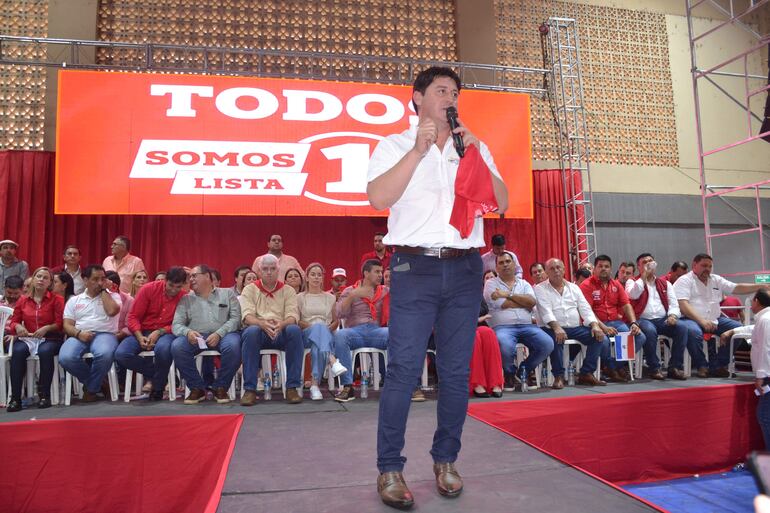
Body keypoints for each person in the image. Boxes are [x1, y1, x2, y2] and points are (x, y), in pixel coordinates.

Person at [366, 66, 508, 508]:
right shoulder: (394, 144)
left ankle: (446, 460)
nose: (451, 98)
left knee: (456, 371)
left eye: (455, 92)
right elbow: (379, 198)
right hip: (415, 267)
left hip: (465, 268)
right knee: (404, 370)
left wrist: (476, 152)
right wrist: (417, 150)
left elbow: (502, 201)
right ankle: (389, 467)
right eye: (442, 90)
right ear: (417, 98)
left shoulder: (472, 146)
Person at [674, 253, 765, 378]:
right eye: (704, 265)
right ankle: (702, 365)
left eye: (710, 266)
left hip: (714, 320)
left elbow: (737, 288)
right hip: (691, 319)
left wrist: (762, 286)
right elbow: (683, 305)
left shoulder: (716, 279)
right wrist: (701, 321)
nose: (707, 269)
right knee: (693, 332)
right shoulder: (684, 280)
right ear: (694, 265)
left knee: (738, 329)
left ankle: (718, 365)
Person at [171, 264, 242, 404]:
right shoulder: (186, 299)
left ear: (207, 276)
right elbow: (176, 325)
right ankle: (197, 388)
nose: (191, 279)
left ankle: (220, 387)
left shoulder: (227, 294)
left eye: (194, 276)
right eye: (190, 277)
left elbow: (236, 319)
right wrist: (188, 332)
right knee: (177, 346)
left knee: (234, 345)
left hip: (224, 335)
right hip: (197, 337)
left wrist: (219, 333)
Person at [115, 267, 187, 401]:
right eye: (171, 285)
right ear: (165, 280)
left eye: (178, 287)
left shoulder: (184, 296)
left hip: (166, 332)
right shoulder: (148, 289)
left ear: (183, 285)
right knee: (121, 354)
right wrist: (139, 336)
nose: (173, 290)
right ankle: (161, 377)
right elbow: (133, 317)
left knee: (163, 350)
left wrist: (159, 332)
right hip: (141, 330)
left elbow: (181, 324)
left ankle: (158, 387)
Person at [240, 254, 304, 405]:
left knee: (294, 330)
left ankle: (292, 387)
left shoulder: (288, 290)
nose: (269, 272)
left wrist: (281, 324)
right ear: (259, 271)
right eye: (265, 269)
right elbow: (247, 316)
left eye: (272, 269)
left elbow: (293, 316)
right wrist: (262, 324)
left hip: (281, 331)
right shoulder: (249, 289)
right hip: (259, 333)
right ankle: (250, 389)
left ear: (278, 270)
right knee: (251, 331)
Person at [535, 258, 608, 389]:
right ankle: (558, 376)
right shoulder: (540, 288)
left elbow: (585, 308)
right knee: (555, 338)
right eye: (552, 268)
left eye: (558, 267)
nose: (556, 271)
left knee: (598, 337)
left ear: (564, 270)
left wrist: (595, 325)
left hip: (574, 327)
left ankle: (586, 373)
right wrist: (557, 327)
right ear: (546, 272)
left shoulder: (574, 288)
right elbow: (546, 311)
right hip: (550, 327)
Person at [484, 252, 553, 390]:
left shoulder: (524, 283)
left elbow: (531, 302)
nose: (505, 265)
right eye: (501, 263)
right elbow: (502, 304)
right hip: (502, 327)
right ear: (496, 268)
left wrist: (507, 294)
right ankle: (509, 373)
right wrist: (522, 302)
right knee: (504, 345)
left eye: (508, 261)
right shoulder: (491, 284)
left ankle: (523, 370)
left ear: (514, 264)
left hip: (527, 326)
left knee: (547, 344)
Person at [59, 264, 122, 402]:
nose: (99, 282)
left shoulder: (113, 296)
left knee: (104, 354)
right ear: (85, 280)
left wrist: (104, 290)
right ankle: (99, 383)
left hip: (105, 334)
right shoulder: (74, 300)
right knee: (65, 357)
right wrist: (78, 333)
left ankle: (91, 389)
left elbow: (112, 311)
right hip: (79, 334)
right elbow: (67, 325)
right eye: (95, 279)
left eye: (103, 279)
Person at [579, 255, 647, 382]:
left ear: (611, 269)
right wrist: (603, 327)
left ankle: (612, 367)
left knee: (639, 337)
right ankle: (612, 369)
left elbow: (626, 305)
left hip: (615, 322)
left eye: (606, 266)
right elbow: (587, 311)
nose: (603, 269)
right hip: (594, 323)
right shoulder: (586, 285)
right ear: (594, 268)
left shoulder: (616, 285)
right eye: (600, 266)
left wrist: (633, 323)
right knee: (603, 340)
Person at [6, 267, 65, 412]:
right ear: (33, 279)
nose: (41, 280)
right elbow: (14, 321)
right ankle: (15, 398)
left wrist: (47, 328)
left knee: (45, 352)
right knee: (17, 351)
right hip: (29, 338)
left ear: (50, 282)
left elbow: (60, 323)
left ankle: (44, 395)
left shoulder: (57, 299)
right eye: (38, 276)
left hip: (50, 337)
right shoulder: (23, 300)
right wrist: (18, 326)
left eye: (45, 278)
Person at [332, 259, 390, 403]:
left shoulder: (385, 291)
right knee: (340, 335)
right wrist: (353, 296)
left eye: (381, 272)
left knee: (395, 334)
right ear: (366, 273)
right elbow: (339, 313)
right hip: (355, 332)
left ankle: (393, 384)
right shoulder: (350, 290)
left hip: (376, 331)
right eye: (377, 272)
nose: (380, 275)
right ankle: (347, 386)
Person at [626, 253, 689, 380]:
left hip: (662, 319)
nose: (648, 264)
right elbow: (633, 294)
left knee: (682, 328)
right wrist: (644, 276)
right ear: (639, 267)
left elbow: (673, 304)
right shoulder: (632, 281)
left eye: (650, 261)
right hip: (642, 319)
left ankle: (674, 367)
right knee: (650, 330)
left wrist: (673, 315)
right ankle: (654, 368)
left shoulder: (665, 284)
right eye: (644, 262)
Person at [720, 289, 770, 449]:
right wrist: (733, 330)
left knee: (765, 416)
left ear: (756, 301)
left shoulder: (765, 320)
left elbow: (766, 349)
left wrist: (761, 376)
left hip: (768, 375)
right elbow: (753, 329)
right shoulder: (765, 319)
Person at [297, 262, 344, 401]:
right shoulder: (299, 297)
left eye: (319, 275)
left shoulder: (330, 297)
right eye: (313, 274)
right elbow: (297, 321)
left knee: (317, 345)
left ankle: (314, 385)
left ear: (322, 278)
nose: (316, 277)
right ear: (307, 278)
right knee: (319, 328)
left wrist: (324, 330)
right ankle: (332, 359)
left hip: (325, 333)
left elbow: (335, 322)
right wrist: (317, 328)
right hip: (306, 333)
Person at [470, 271, 503, 397]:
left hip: (477, 324)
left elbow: (484, 309)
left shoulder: (475, 291)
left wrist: (477, 319)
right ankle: (477, 383)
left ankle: (495, 382)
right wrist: (476, 319)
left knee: (488, 333)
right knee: (474, 337)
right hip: (460, 327)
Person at [105, 271, 133, 341]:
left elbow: (130, 323)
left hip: (122, 335)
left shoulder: (129, 300)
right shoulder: (98, 297)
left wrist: (123, 333)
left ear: (115, 286)